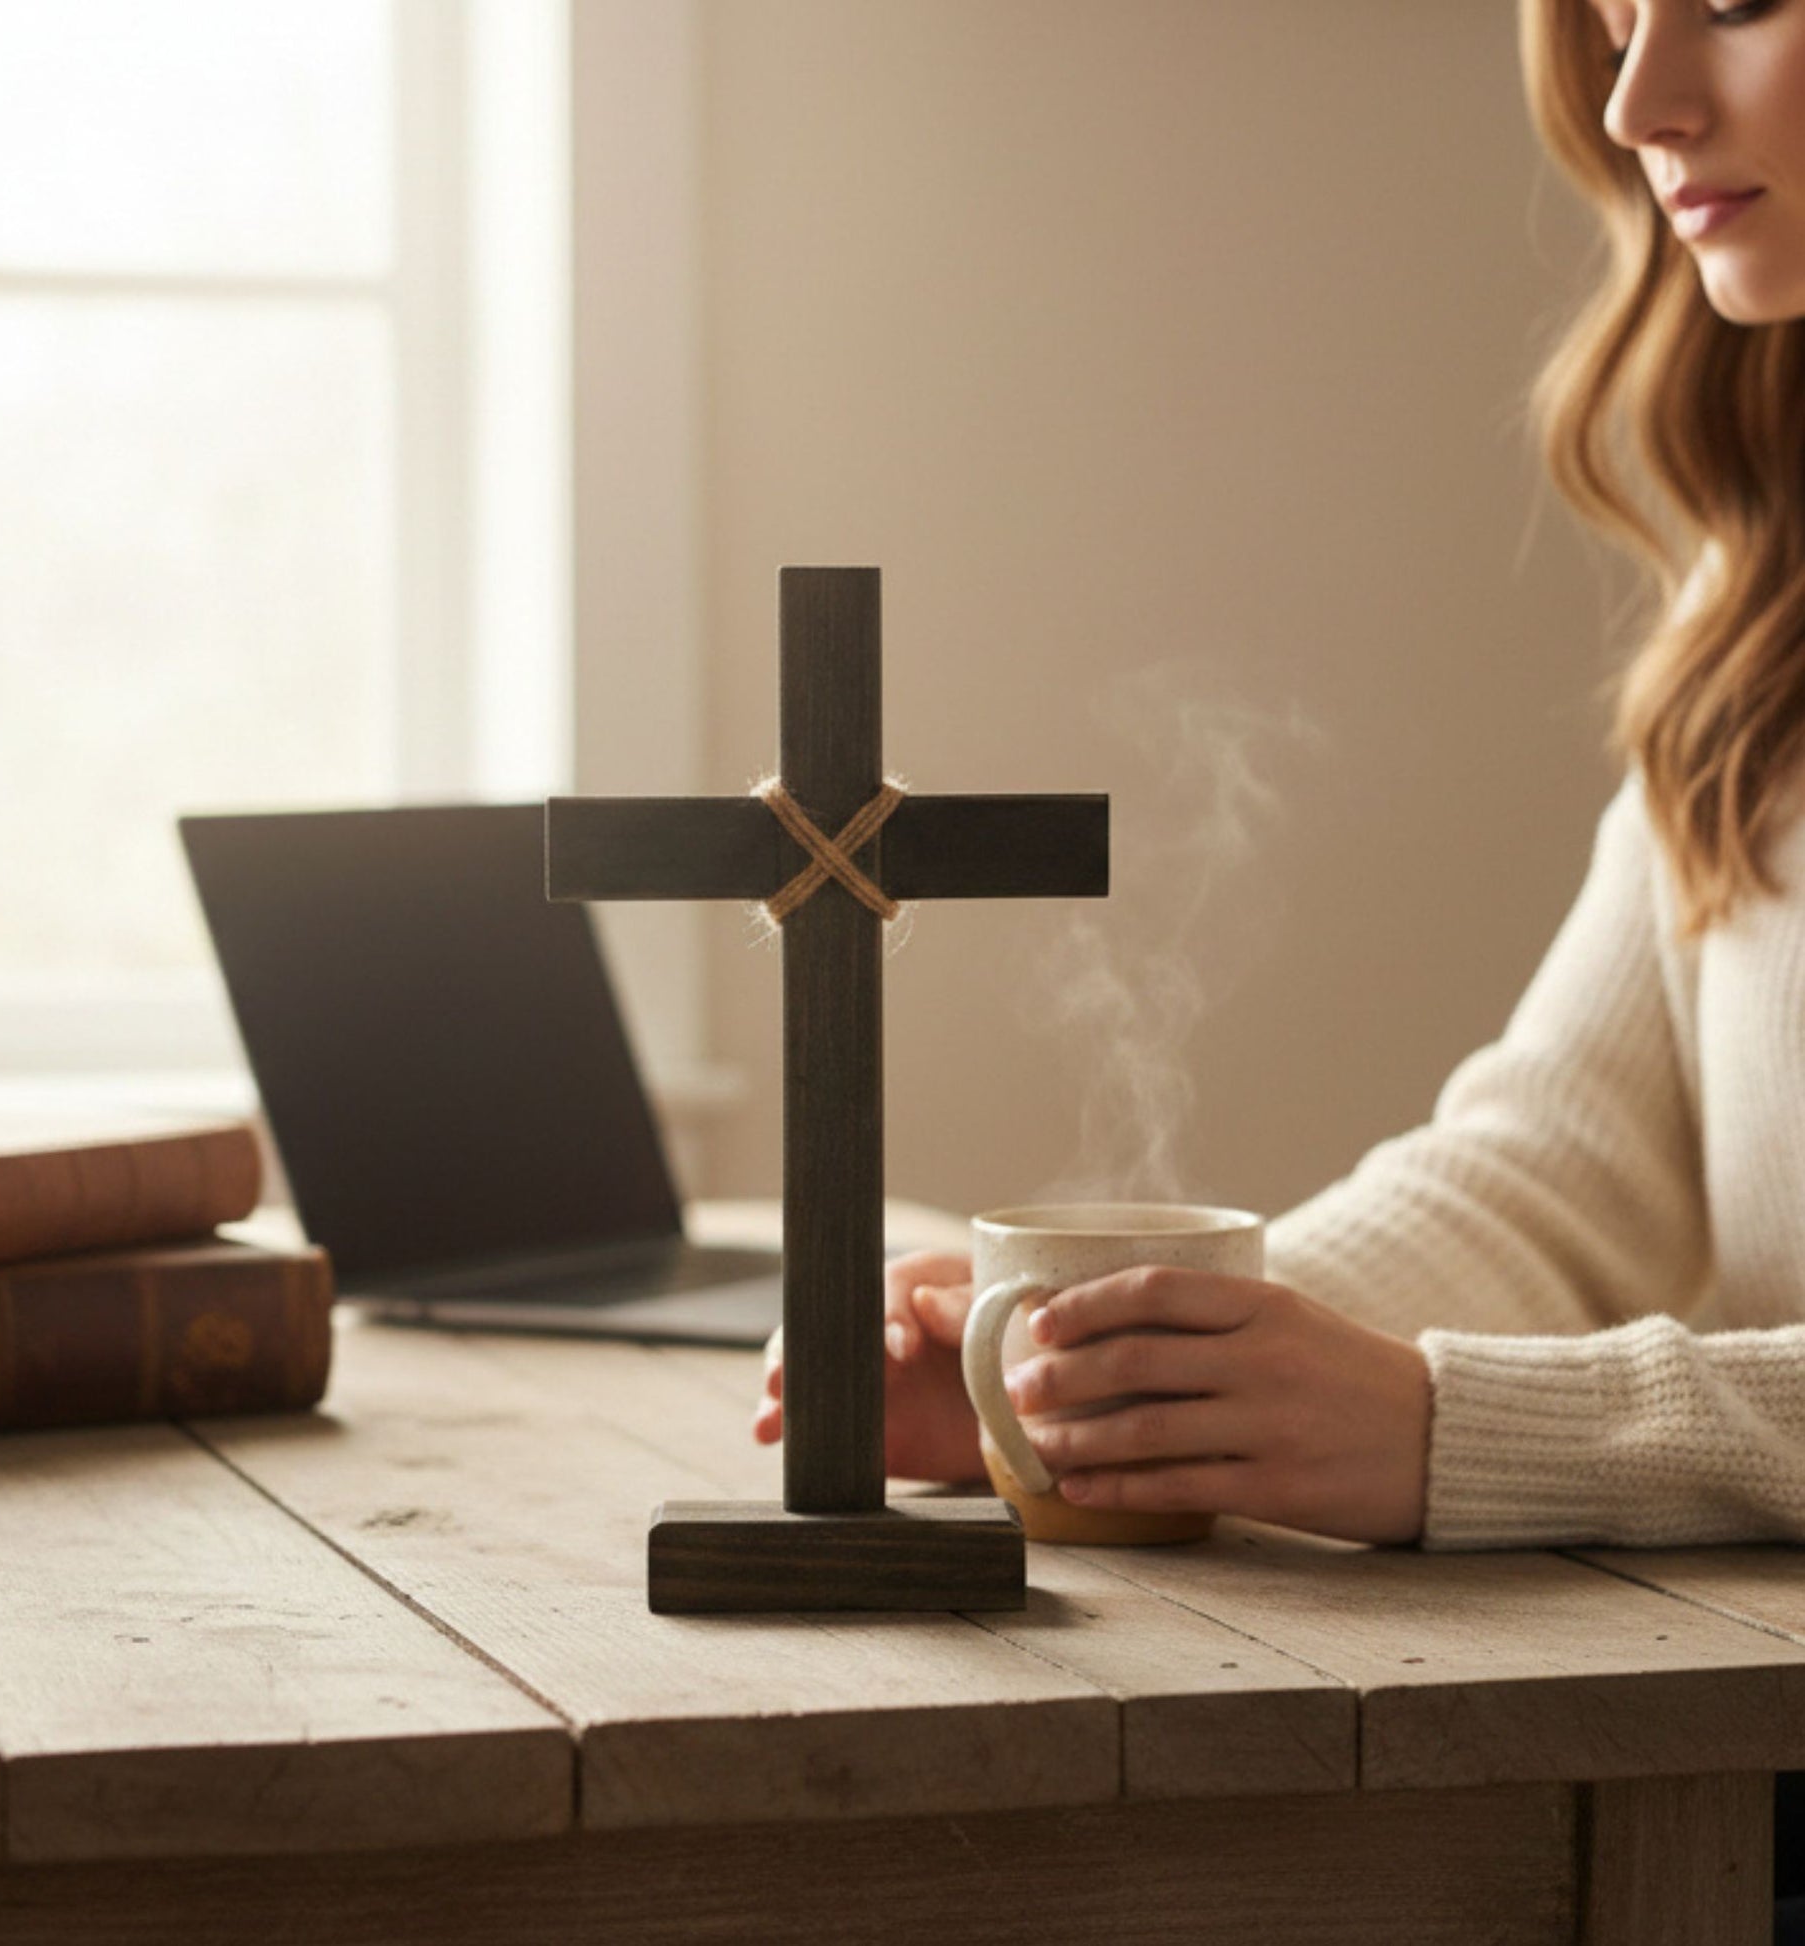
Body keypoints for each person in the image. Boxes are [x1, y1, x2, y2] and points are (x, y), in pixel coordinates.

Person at [756, 0, 1805, 1555]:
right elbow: (1560, 1177)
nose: (1634, 102)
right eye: (1611, 19)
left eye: (1730, 1)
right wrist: (1116, 1370)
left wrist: (1450, 1429)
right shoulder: (1760, 609)